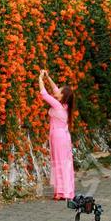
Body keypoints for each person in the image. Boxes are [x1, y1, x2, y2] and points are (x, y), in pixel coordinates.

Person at [39, 70, 75, 200]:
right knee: (62, 163)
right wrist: (48, 78)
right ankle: (63, 191)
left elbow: (44, 94)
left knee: (60, 162)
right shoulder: (64, 105)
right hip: (61, 137)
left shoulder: (58, 106)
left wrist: (40, 79)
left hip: (59, 137)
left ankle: (63, 191)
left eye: (59, 91)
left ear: (63, 96)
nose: (56, 91)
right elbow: (54, 90)